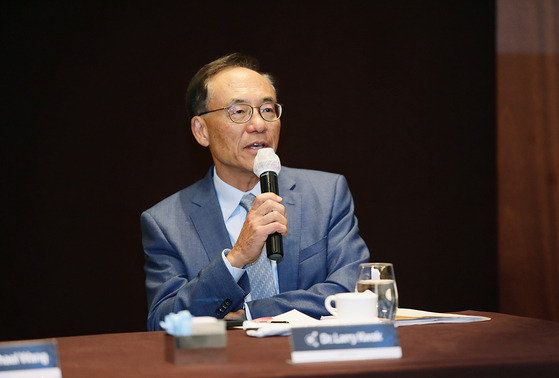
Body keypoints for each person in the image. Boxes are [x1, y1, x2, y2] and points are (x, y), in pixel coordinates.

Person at [141, 53, 370, 331]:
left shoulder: (326, 195)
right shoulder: (166, 222)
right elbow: (163, 321)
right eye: (239, 112)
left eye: (267, 110)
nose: (259, 125)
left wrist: (250, 314)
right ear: (201, 131)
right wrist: (235, 259)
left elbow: (351, 294)